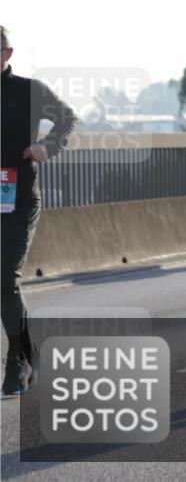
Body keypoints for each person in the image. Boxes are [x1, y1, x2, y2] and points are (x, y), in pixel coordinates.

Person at [1, 26, 78, 395]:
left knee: (4, 278)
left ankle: (15, 362)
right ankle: (30, 355)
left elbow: (66, 118)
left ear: (7, 53)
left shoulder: (29, 91)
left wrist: (47, 146)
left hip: (18, 200)